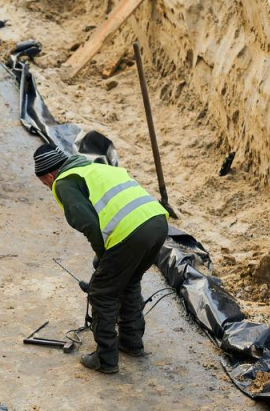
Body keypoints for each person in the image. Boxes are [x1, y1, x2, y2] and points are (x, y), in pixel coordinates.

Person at [34, 143, 169, 374]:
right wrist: (106, 261)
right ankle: (131, 342)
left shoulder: (63, 183)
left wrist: (103, 256)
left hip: (131, 232)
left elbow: (88, 224)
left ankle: (105, 359)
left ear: (48, 175)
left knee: (102, 292)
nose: (48, 187)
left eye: (45, 183)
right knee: (129, 282)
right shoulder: (96, 168)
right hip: (158, 223)